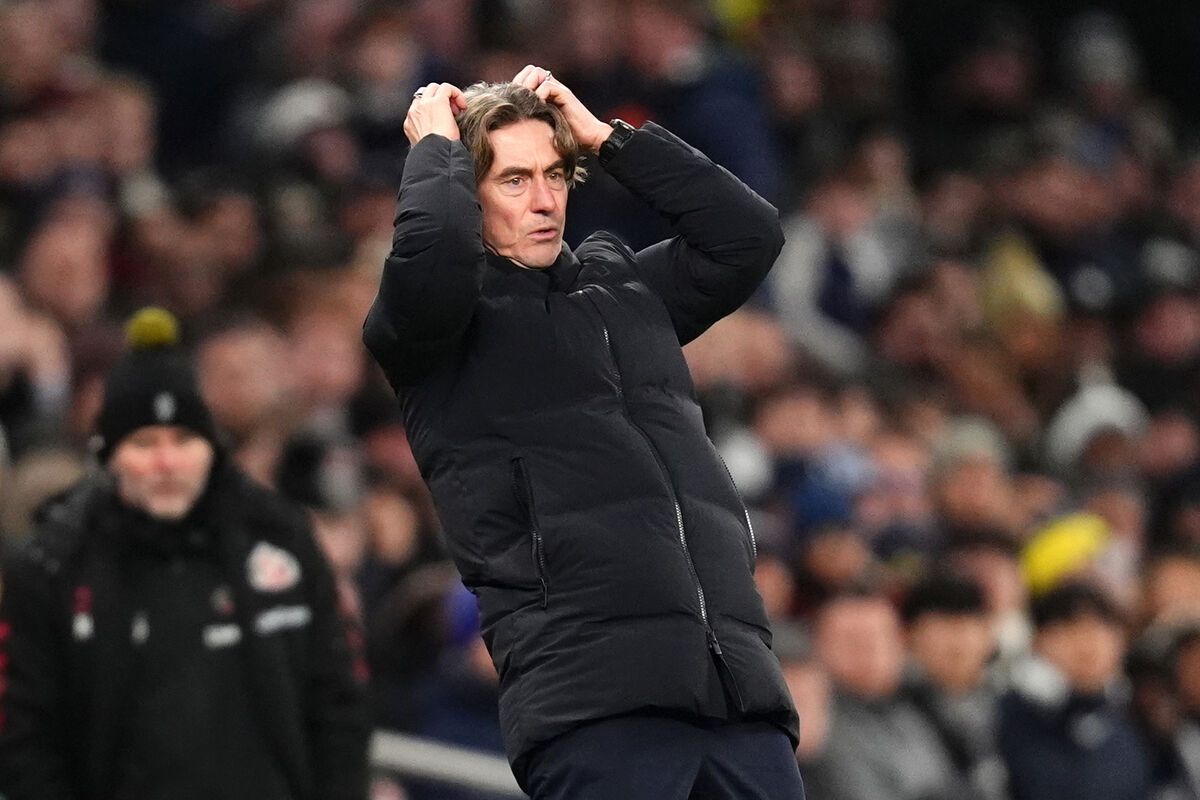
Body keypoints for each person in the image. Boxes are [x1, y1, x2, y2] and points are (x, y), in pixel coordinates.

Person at [362, 65, 802, 799]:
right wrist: (435, 149)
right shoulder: (440, 325)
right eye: (512, 181)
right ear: (468, 195)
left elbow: (747, 236)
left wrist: (609, 140)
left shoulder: (623, 287)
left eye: (556, 175)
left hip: (736, 696)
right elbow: (431, 256)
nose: (544, 200)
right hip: (596, 708)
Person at [0, 308, 370, 800]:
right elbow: (25, 735)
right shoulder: (53, 566)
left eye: (184, 440)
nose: (167, 462)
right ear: (109, 455)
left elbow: (340, 702)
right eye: (144, 442)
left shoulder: (281, 538)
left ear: (211, 447)